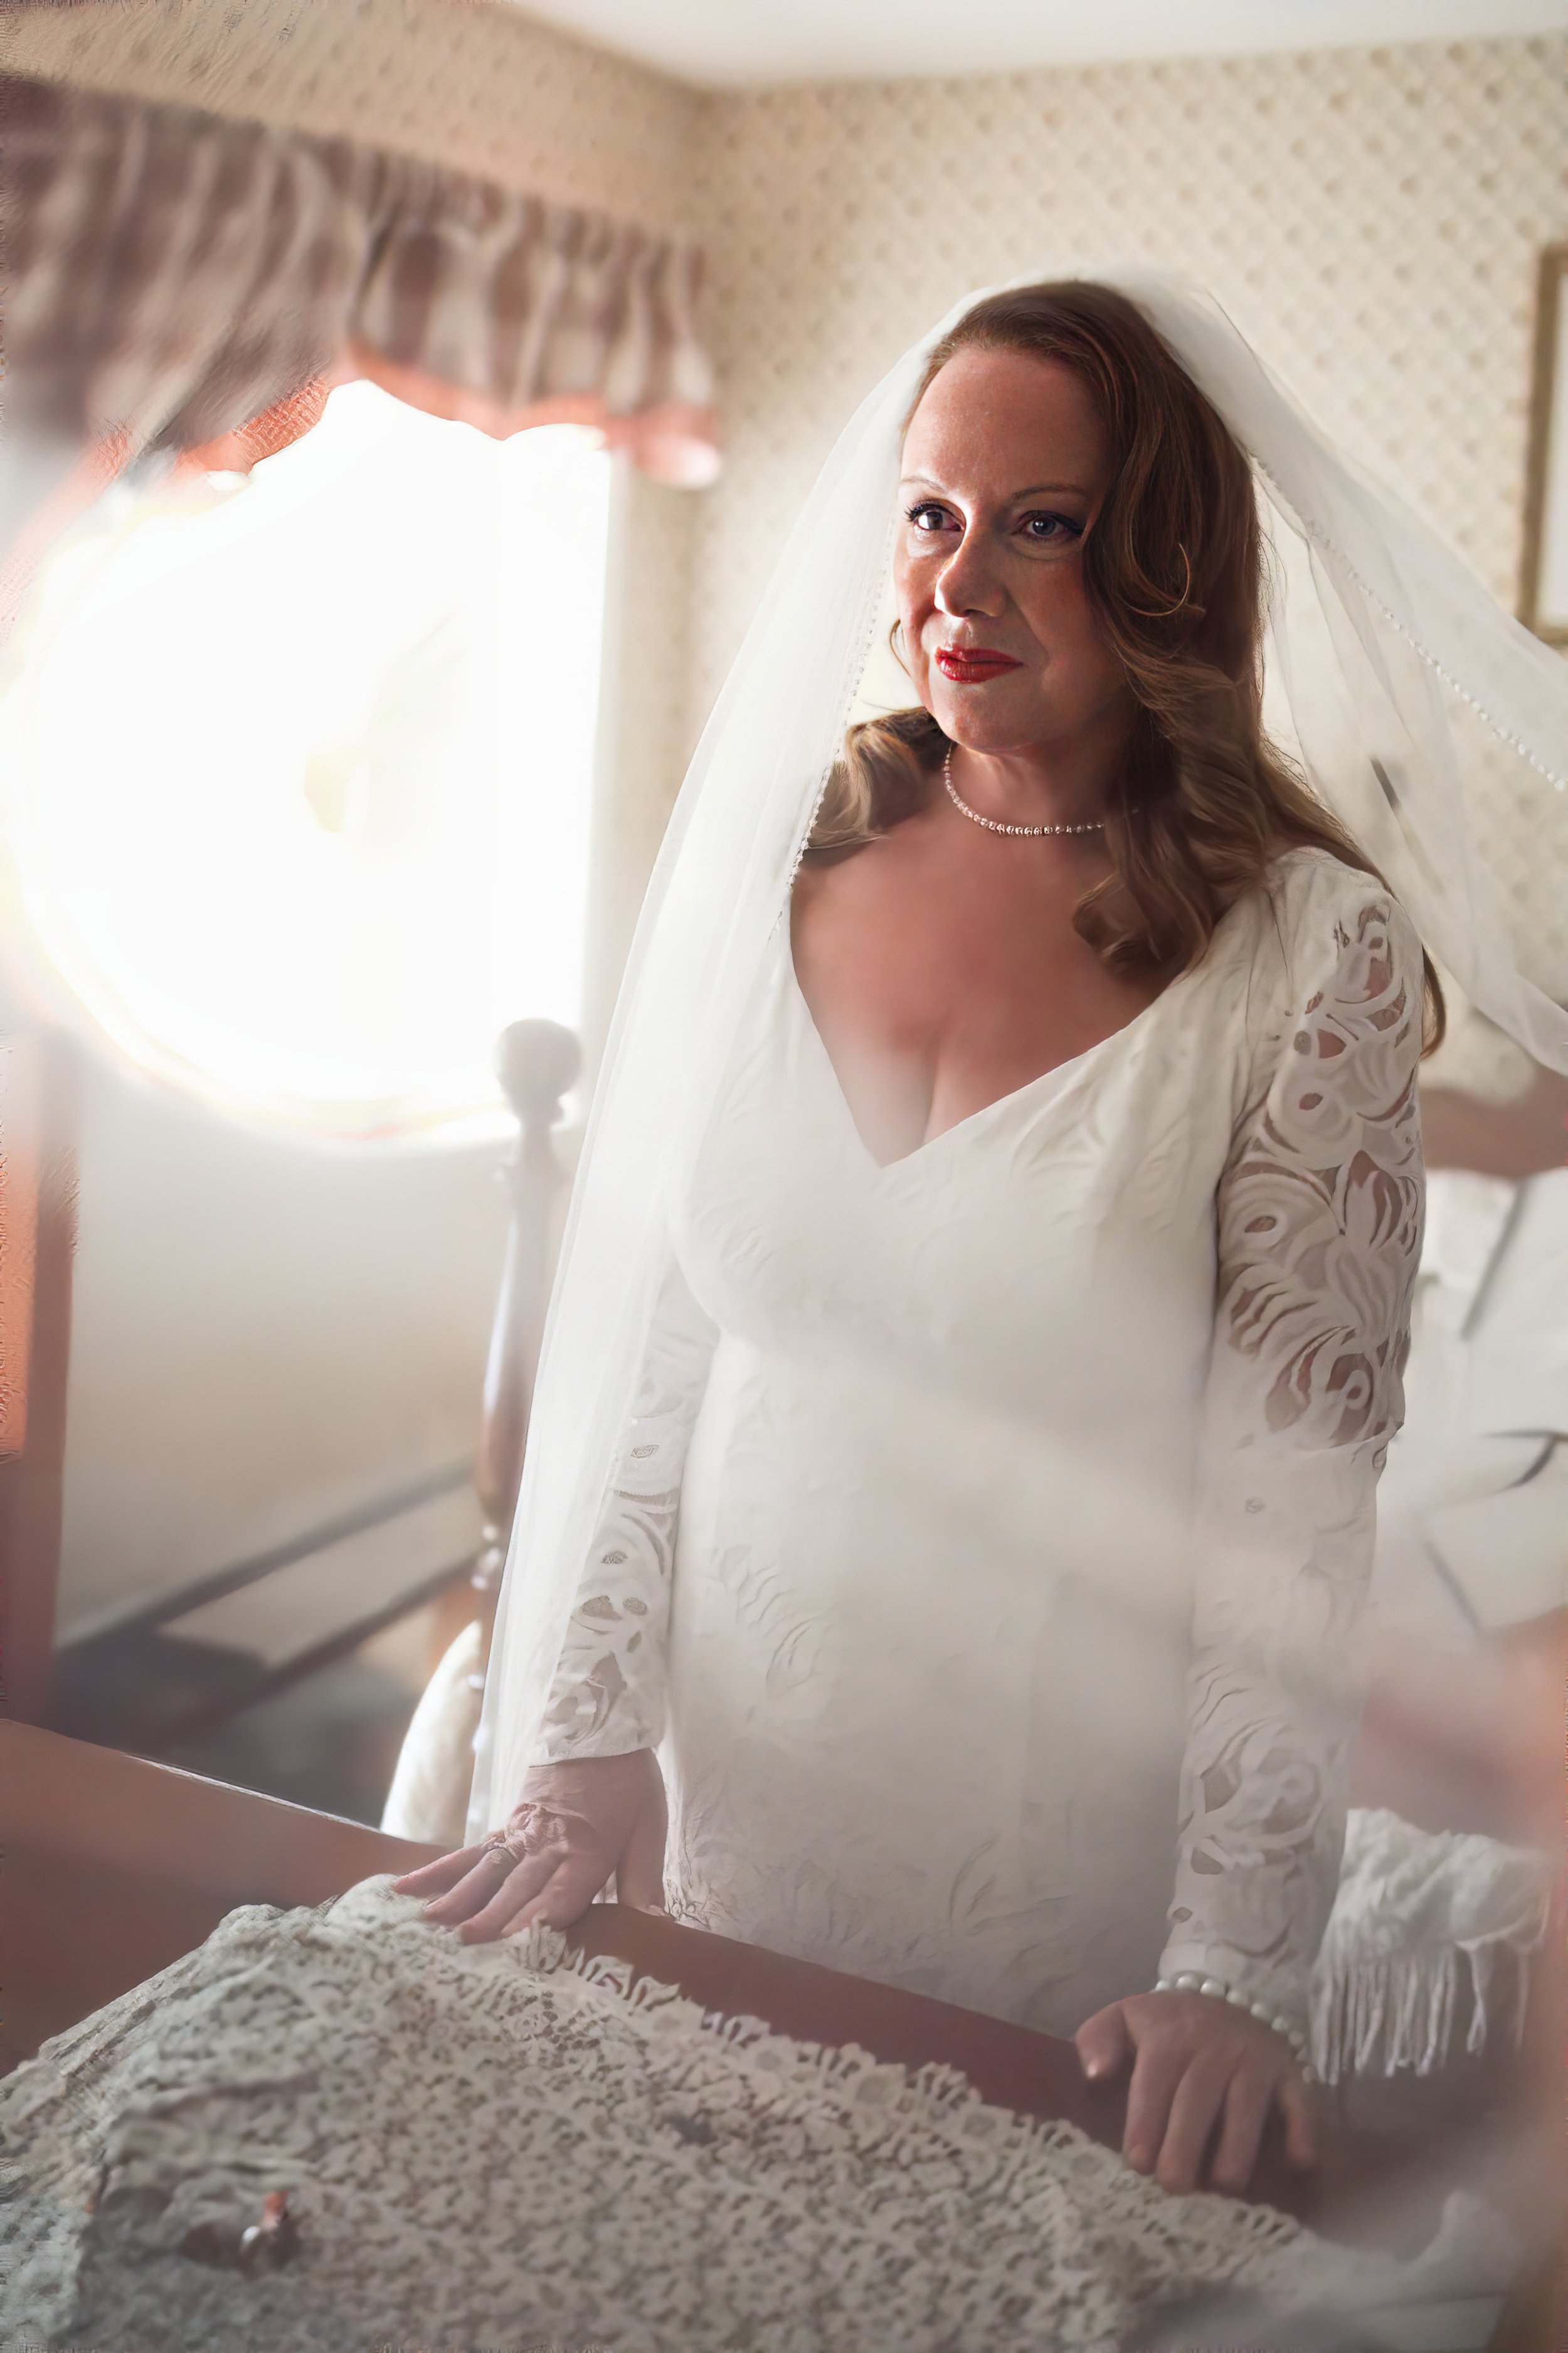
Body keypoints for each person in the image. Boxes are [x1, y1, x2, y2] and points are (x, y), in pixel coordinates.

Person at [398, 276, 1566, 2199]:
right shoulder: (782, 854)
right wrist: (581, 1736)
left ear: (1165, 564)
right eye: (933, 515)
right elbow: (659, 1344)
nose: (962, 582)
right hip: (701, 1813)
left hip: (1032, 1880)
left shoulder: (1305, 955)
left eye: (1043, 525)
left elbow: (1286, 1509)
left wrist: (1234, 1964)